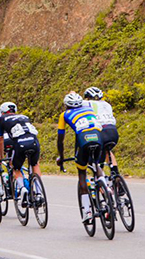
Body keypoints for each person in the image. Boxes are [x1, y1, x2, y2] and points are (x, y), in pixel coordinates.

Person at [57, 92, 102, 221]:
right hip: (99, 137)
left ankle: (87, 211)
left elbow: (60, 140)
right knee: (95, 164)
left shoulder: (64, 115)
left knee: (82, 172)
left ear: (66, 105)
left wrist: (61, 157)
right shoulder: (89, 109)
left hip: (84, 139)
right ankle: (105, 186)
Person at [0, 102, 41, 206]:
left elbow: (0, 140)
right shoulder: (24, 116)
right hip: (34, 141)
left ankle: (22, 188)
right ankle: (39, 193)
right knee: (35, 164)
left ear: (2, 112)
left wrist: (2, 156)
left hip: (20, 143)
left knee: (15, 167)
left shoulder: (2, 119)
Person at [83, 87, 118, 171]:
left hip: (101, 130)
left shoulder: (87, 103)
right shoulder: (107, 104)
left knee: (93, 153)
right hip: (113, 131)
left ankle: (100, 175)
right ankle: (115, 173)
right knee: (107, 150)